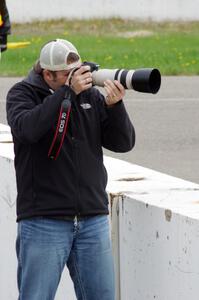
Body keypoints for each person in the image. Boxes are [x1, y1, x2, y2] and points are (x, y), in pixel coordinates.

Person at [6, 38, 135, 300]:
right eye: (66, 75)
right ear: (47, 73)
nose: (74, 79)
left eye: (75, 73)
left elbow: (123, 143)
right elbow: (28, 130)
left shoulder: (88, 96)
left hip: (92, 218)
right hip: (44, 220)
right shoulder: (22, 94)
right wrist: (67, 94)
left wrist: (115, 106)